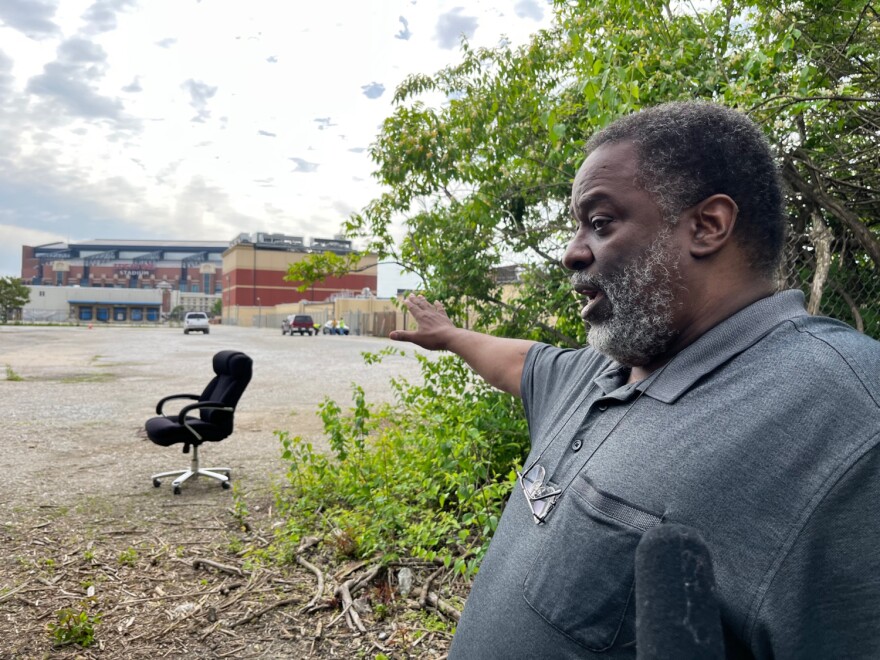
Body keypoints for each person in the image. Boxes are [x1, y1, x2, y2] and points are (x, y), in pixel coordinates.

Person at [390, 101, 880, 659]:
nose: (572, 253)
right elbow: (519, 361)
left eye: (599, 223)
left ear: (707, 225)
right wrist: (452, 335)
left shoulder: (847, 420)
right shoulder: (602, 373)